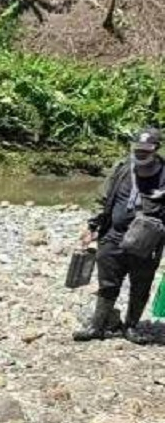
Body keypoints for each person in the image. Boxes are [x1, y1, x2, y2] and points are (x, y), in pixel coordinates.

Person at [74, 128, 165, 344]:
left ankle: (131, 327)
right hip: (112, 236)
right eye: (137, 149)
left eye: (146, 150)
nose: (141, 154)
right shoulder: (122, 169)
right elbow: (103, 199)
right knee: (107, 283)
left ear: (156, 150)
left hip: (147, 242)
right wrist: (92, 227)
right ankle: (97, 326)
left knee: (141, 285)